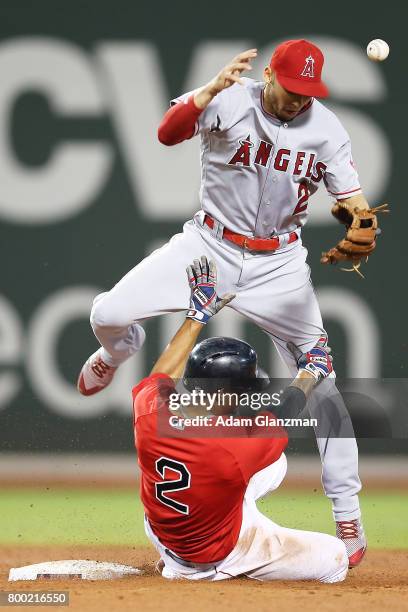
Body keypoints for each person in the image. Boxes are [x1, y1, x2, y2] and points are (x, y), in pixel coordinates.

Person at [78, 39, 368, 566]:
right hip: (207, 246)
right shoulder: (229, 99)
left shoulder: (326, 128)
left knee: (323, 386)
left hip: (279, 265)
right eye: (292, 90)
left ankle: (347, 514)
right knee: (107, 314)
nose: (300, 101)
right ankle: (117, 352)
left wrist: (359, 213)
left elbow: (351, 198)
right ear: (270, 78)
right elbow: (166, 134)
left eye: (309, 93)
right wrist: (206, 93)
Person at [133, 256, 348, 582]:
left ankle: (173, 555)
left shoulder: (150, 411)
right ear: (226, 395)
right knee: (336, 559)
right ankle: (219, 574)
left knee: (272, 466)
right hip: (214, 557)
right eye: (243, 390)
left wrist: (197, 316)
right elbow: (280, 414)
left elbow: (162, 372)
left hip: (164, 531)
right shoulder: (233, 447)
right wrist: (311, 371)